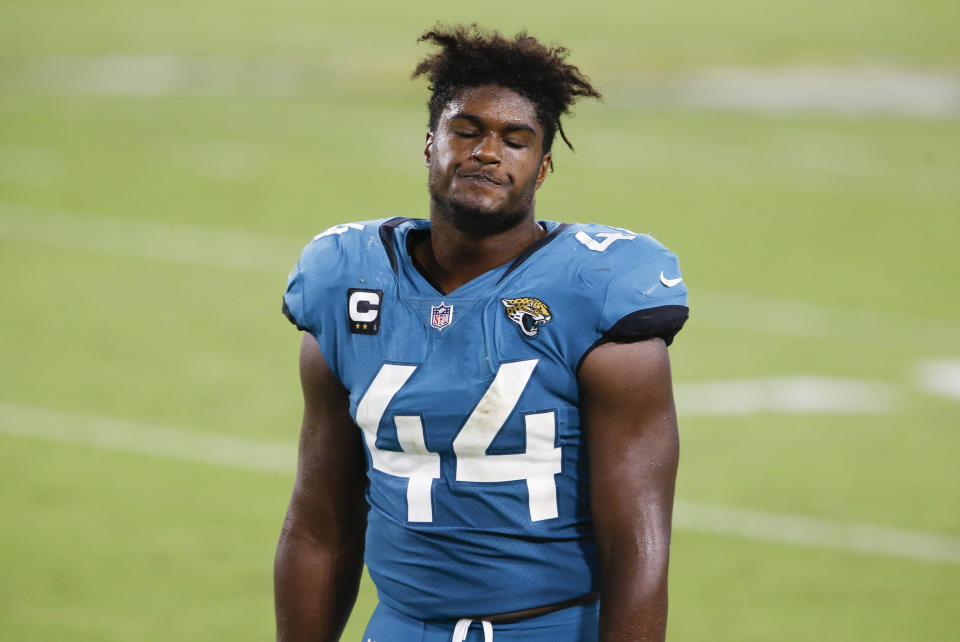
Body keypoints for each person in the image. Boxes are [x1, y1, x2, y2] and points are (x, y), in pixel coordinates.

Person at [275, 24, 688, 642]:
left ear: (543, 165)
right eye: (466, 131)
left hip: (552, 628)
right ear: (429, 144)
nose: (487, 153)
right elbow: (319, 524)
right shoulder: (344, 282)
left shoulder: (597, 288)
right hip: (403, 628)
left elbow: (639, 541)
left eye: (514, 140)